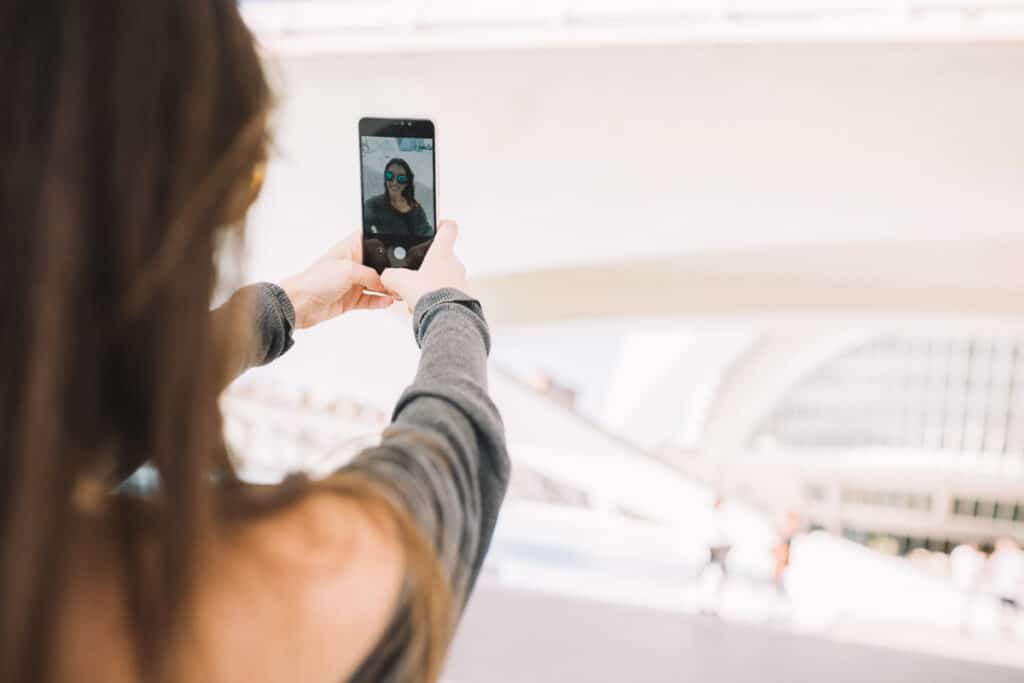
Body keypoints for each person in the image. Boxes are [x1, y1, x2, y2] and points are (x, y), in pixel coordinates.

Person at [0, 3, 508, 683]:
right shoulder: (170, 611)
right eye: (241, 179)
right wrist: (449, 310)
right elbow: (447, 473)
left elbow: (91, 410)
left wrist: (286, 304)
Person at [363, 158, 434, 238]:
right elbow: (362, 223)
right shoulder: (374, 205)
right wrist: (373, 242)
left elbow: (426, 232)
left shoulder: (416, 208)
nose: (394, 182)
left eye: (401, 178)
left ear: (407, 182)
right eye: (389, 176)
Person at [988, 537, 1023, 637]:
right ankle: (1005, 626)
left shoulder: (1017, 556)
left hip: (1013, 589)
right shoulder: (1001, 556)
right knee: (1004, 608)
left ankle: (1008, 626)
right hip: (1003, 587)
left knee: (1011, 608)